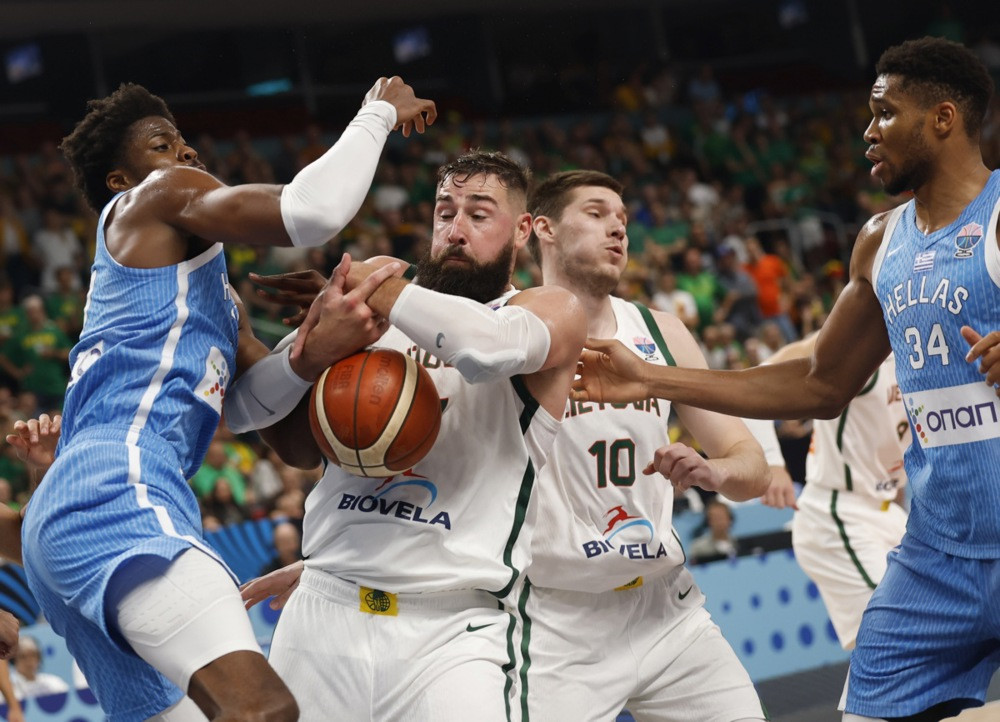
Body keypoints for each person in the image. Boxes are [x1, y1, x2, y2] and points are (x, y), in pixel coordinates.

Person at [574, 37, 1000, 722]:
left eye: (885, 113)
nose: (868, 131)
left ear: (944, 119)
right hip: (936, 556)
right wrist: (652, 377)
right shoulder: (880, 240)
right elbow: (816, 384)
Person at [19, 77, 435, 721]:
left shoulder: (213, 299)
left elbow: (271, 429)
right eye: (162, 144)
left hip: (83, 506)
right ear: (119, 180)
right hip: (118, 485)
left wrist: (311, 350)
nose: (183, 157)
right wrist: (376, 112)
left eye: (184, 143)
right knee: (260, 709)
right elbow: (310, 212)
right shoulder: (150, 199)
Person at [236, 150, 587, 720]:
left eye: (479, 214)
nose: (455, 228)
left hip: (455, 628)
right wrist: (291, 345)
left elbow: (483, 348)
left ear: (523, 229)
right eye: (445, 210)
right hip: (327, 607)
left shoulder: (548, 310)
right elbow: (294, 444)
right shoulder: (372, 306)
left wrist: (368, 284)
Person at [518, 169, 769, 721]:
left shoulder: (660, 332)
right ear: (544, 229)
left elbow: (753, 465)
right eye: (597, 213)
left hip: (668, 609)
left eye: (623, 219)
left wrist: (715, 473)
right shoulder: (503, 332)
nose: (618, 229)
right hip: (557, 620)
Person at [764, 336, 909, 651]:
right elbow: (762, 374)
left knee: (894, 651)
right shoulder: (855, 340)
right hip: (837, 513)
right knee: (900, 638)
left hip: (889, 511)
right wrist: (772, 461)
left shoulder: (927, 342)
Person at [9, 636, 69, 700]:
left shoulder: (53, 682)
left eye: (33, 655)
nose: (29, 661)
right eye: (23, 656)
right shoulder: (9, 688)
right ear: (14, 660)